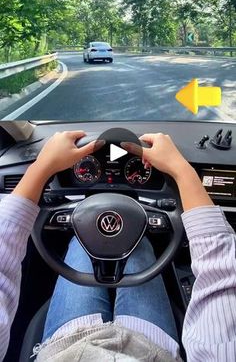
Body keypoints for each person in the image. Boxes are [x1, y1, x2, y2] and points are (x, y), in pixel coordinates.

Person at [0, 130, 235, 361]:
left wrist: (42, 167)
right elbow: (222, 289)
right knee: (139, 243)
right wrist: (182, 171)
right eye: (86, 171)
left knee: (80, 243)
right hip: (151, 349)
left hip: (69, 348)